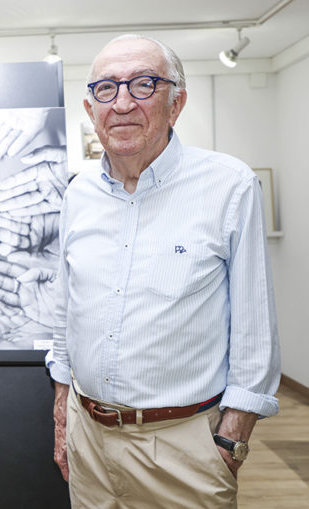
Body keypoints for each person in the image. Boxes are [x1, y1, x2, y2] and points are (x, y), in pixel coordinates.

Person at [45, 34, 281, 507]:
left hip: (183, 450)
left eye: (143, 84)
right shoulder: (77, 195)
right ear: (90, 110)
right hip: (88, 440)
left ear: (177, 103)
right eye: (106, 88)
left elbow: (254, 330)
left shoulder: (229, 185)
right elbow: (66, 311)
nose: (122, 103)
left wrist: (230, 441)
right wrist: (62, 409)